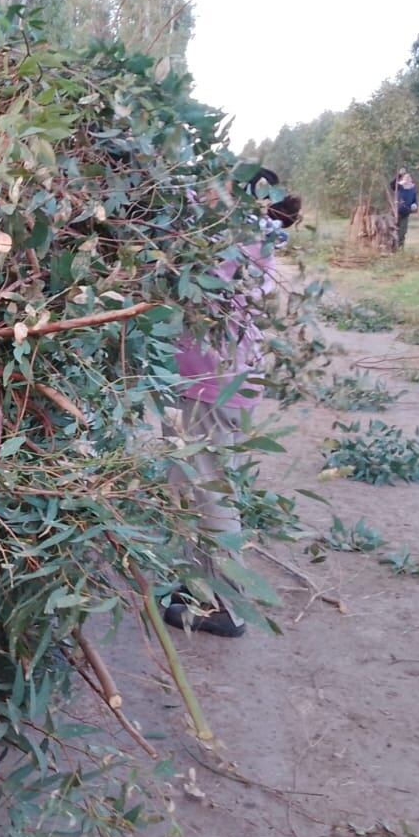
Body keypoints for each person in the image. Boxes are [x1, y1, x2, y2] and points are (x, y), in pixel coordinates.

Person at [162, 167, 301, 637]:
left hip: (211, 384)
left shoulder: (229, 244)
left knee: (208, 488)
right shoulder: (253, 239)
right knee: (190, 484)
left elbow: (184, 275)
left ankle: (227, 607)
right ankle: (195, 587)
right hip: (219, 380)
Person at [388, 167, 419, 250]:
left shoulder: (413, 189)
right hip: (396, 212)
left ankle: (400, 248)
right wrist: (399, 174)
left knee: (403, 232)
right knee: (394, 230)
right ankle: (392, 247)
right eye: (406, 178)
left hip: (406, 213)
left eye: (409, 178)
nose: (408, 179)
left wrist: (414, 205)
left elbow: (415, 200)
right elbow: (392, 185)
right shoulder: (399, 186)